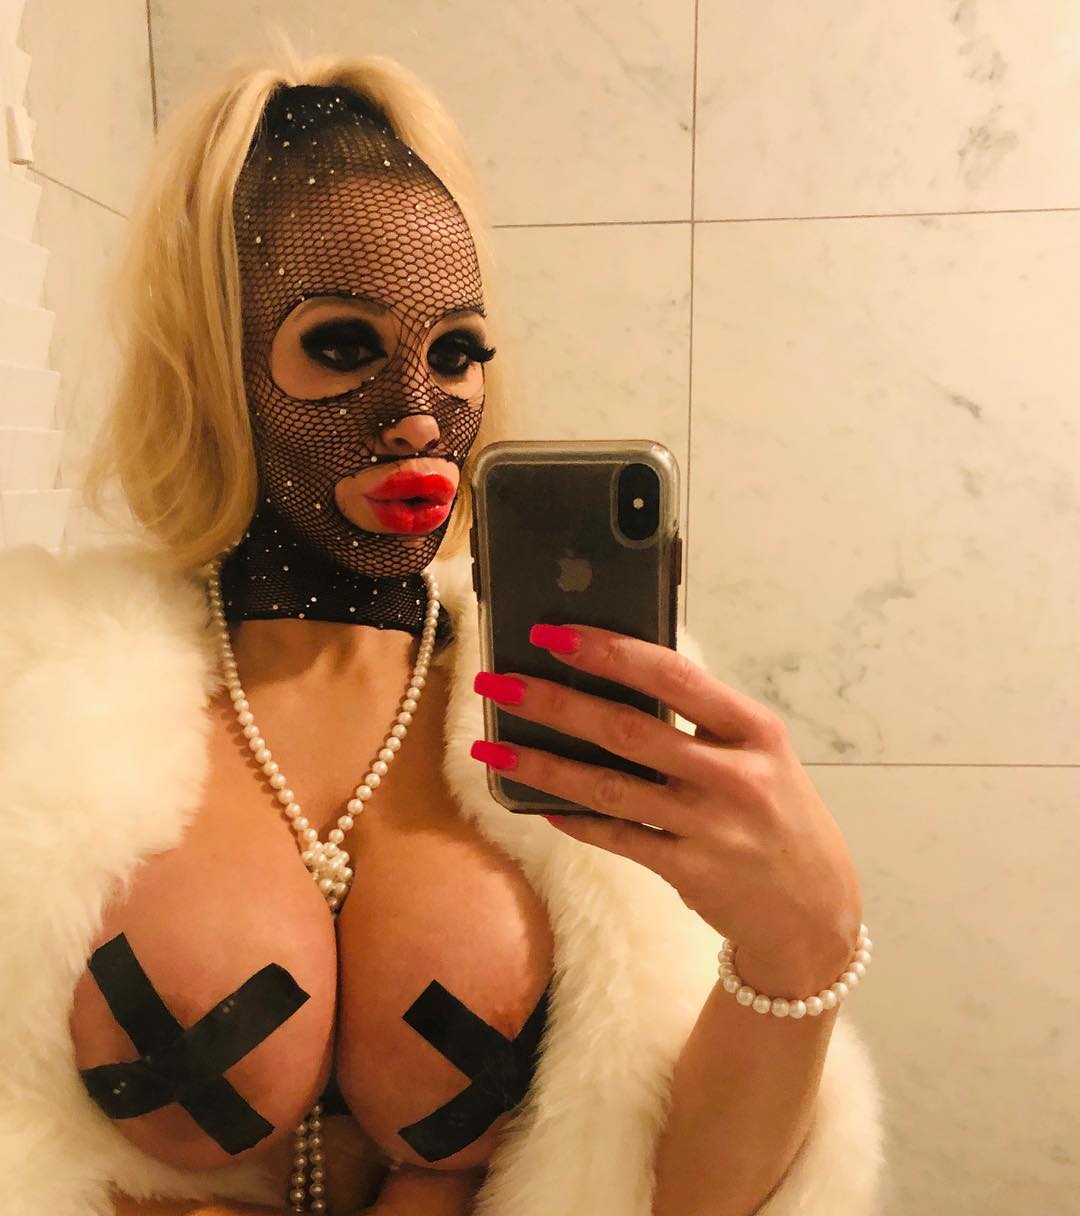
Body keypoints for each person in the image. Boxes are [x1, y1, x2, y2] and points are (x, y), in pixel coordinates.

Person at [0, 46, 885, 1216]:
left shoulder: (574, 702)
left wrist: (805, 942)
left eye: (457, 351)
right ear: (217, 360)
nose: (420, 414)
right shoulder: (36, 691)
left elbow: (678, 1195)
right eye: (343, 346)